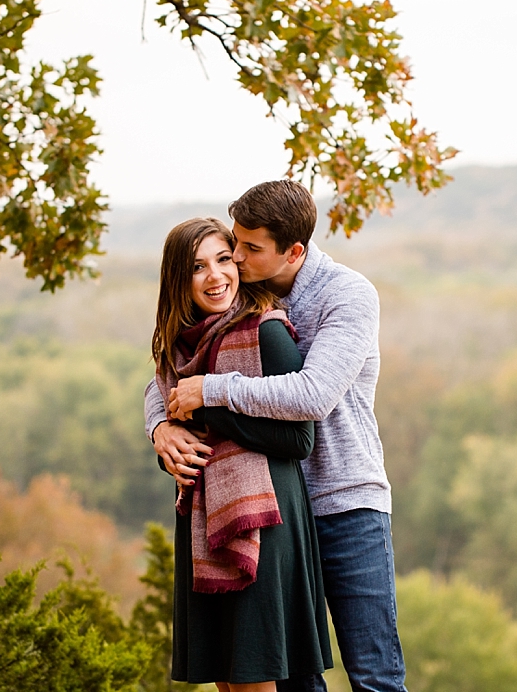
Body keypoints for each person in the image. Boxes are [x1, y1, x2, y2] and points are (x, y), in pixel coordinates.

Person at [147, 181, 407, 692]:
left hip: (345, 502)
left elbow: (312, 395)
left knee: (374, 674)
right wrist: (161, 423)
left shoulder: (345, 295)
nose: (236, 258)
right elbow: (174, 371)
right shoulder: (243, 296)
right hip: (277, 511)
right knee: (295, 679)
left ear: (293, 251)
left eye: (248, 248)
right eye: (234, 244)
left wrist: (212, 391)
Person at [151, 217, 331, 691]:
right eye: (197, 267)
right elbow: (172, 414)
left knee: (252, 680)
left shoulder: (264, 332)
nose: (215, 276)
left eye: (224, 259)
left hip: (262, 518)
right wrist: (163, 431)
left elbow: (299, 441)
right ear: (177, 279)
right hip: (203, 520)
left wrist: (211, 408)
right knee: (227, 681)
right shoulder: (179, 350)